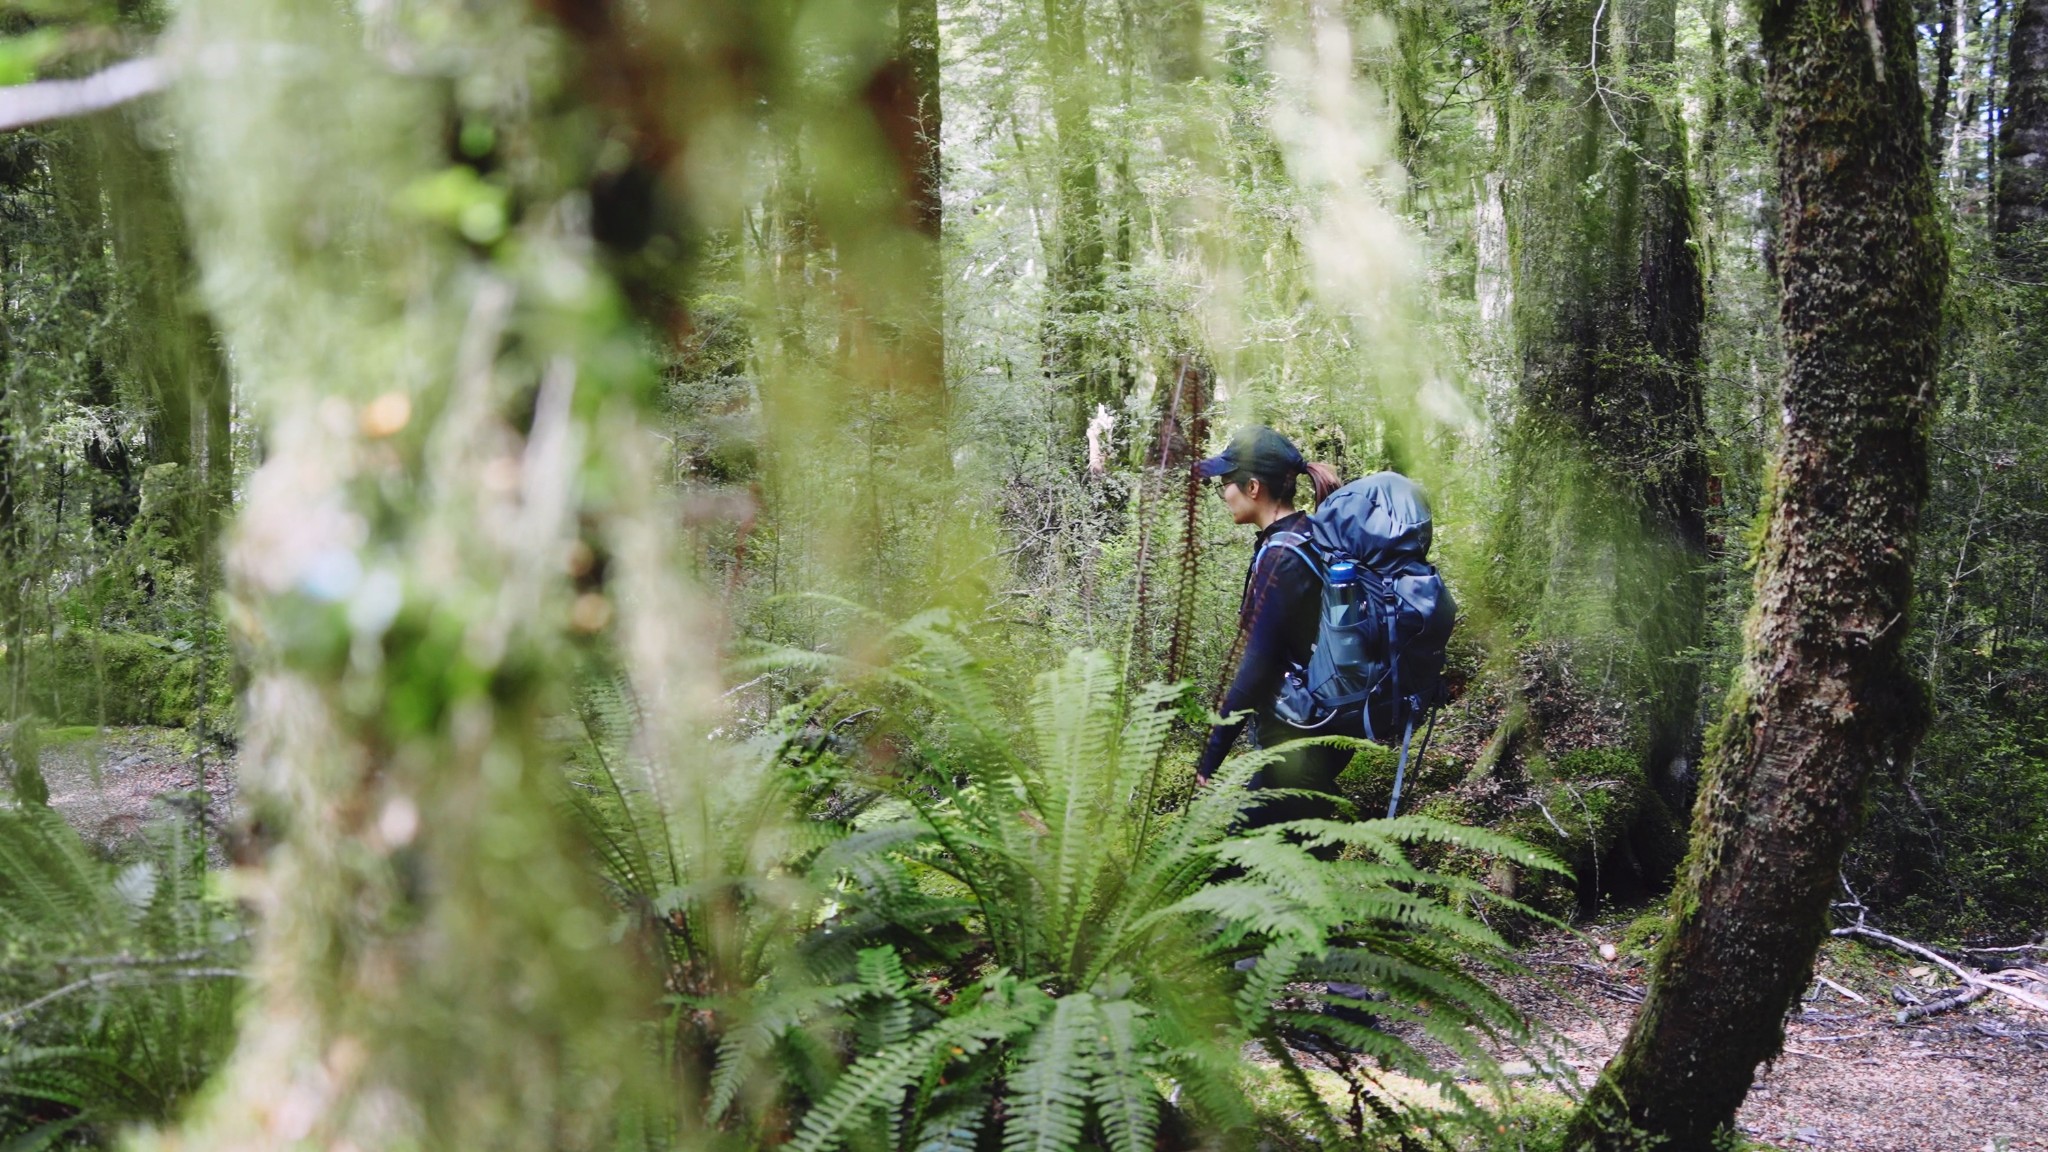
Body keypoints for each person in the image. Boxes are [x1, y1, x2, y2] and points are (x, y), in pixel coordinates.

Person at [1191, 425, 1346, 829]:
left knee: (1241, 867)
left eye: (1225, 483)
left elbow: (1259, 667)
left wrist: (1211, 754)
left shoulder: (1281, 558)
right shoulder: (1308, 534)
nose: (1223, 493)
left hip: (1296, 743)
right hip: (1317, 727)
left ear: (1253, 487)